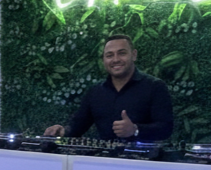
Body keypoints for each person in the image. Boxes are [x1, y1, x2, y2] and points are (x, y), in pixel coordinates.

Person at [44, 34, 173, 141]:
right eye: (109, 55)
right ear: (104, 60)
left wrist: (135, 130)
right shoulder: (95, 91)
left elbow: (165, 128)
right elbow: (78, 125)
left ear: (134, 55)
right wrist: (62, 131)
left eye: (121, 53)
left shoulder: (155, 87)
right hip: (103, 164)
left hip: (143, 166)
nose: (115, 59)